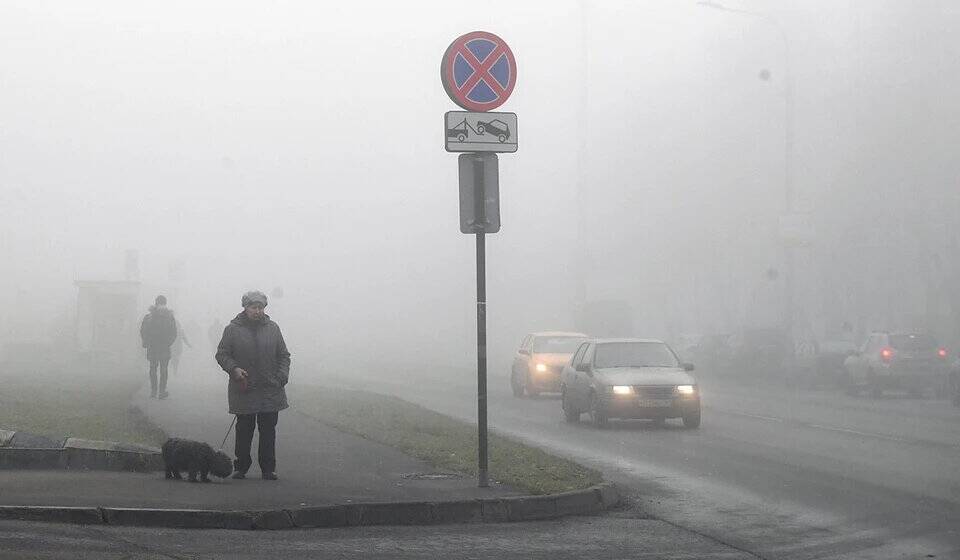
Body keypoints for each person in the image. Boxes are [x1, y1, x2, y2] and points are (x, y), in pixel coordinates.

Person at [215, 290, 291, 480]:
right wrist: (234, 369)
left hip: (270, 389)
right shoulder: (232, 329)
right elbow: (222, 354)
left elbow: (284, 356)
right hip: (244, 388)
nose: (258, 311)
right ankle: (241, 466)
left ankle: (268, 468)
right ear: (245, 308)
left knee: (268, 431)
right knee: (244, 430)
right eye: (253, 307)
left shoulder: (273, 328)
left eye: (261, 308)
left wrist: (282, 376)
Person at [140, 295, 178, 399]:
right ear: (165, 303)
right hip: (164, 348)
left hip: (152, 347)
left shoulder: (149, 317)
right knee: (164, 370)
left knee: (153, 368)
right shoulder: (170, 317)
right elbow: (174, 333)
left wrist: (147, 342)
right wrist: (168, 343)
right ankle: (161, 391)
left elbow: (143, 331)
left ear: (155, 303)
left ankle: (153, 391)